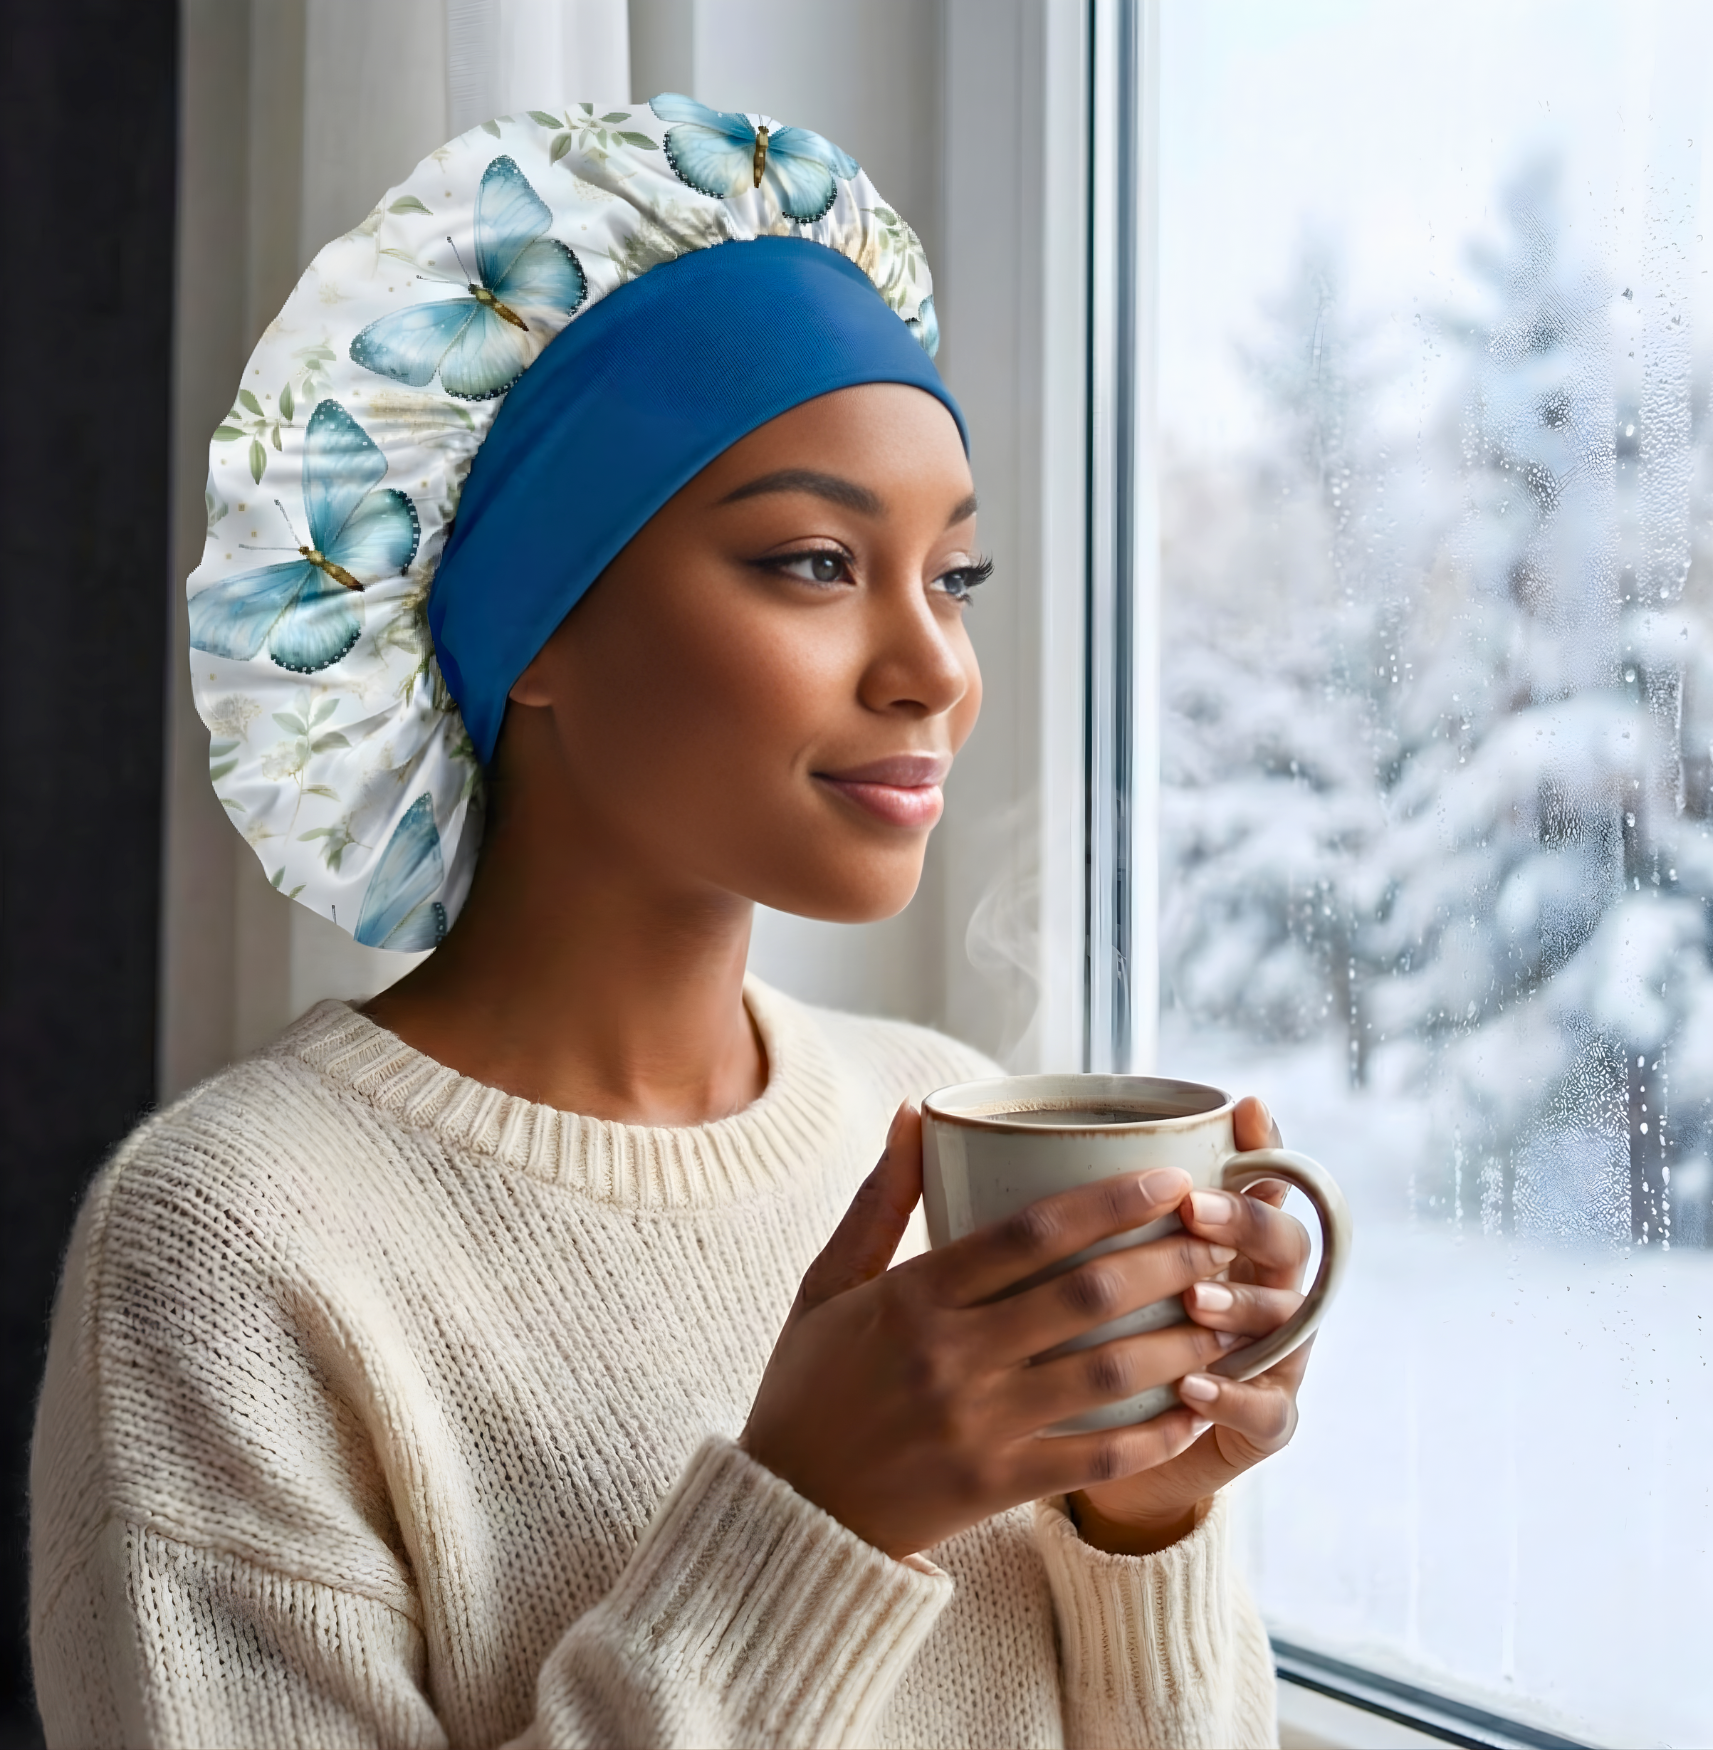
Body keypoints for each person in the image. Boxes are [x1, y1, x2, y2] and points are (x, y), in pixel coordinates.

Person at [30, 98, 1312, 1748]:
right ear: (529, 621)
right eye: (812, 560)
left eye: (956, 575)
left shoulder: (938, 1117)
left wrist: (1143, 1518)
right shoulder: (231, 1252)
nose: (934, 667)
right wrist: (815, 1515)